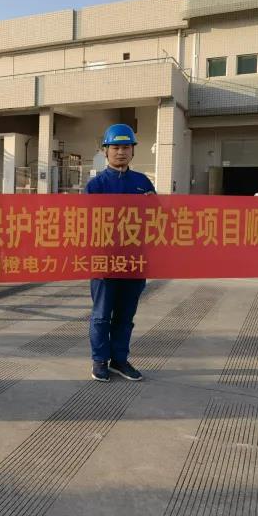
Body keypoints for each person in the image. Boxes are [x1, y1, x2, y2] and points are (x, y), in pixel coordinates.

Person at [85, 123, 154, 383]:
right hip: (104, 260)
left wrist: (153, 206)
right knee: (101, 316)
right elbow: (85, 223)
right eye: (115, 147)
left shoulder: (142, 183)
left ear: (133, 150)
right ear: (105, 150)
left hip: (134, 261)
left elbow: (158, 221)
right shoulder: (96, 185)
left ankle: (119, 360)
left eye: (126, 147)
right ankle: (99, 360)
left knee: (125, 316)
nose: (121, 152)